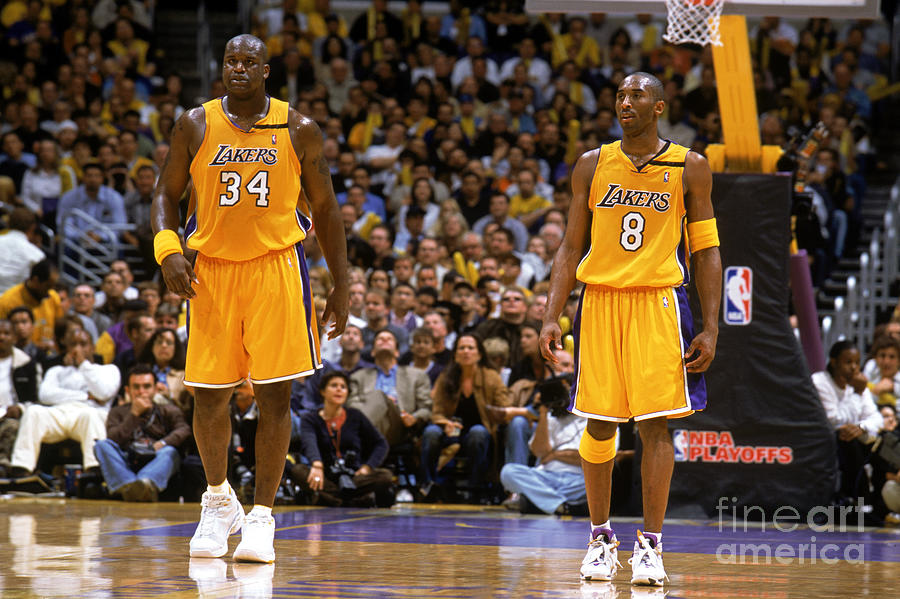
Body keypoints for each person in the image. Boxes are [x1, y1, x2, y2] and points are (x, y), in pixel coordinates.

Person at [151, 34, 348, 563]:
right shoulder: (194, 123)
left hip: (276, 268)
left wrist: (342, 284)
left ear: (266, 70)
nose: (238, 69)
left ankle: (262, 517)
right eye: (230, 61)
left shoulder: (298, 127)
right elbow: (165, 195)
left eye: (248, 62)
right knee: (208, 395)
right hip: (210, 272)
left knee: (274, 396)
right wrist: (167, 249)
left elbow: (326, 209)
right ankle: (218, 501)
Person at [539, 72, 722, 586]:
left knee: (655, 425)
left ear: (659, 106)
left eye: (636, 95)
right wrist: (552, 312)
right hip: (598, 302)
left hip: (659, 303)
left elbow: (706, 250)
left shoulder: (691, 167)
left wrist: (710, 326)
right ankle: (600, 537)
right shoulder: (592, 165)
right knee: (598, 423)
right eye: (620, 95)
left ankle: (651, 546)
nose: (625, 102)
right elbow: (571, 246)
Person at [8, 328, 120, 477]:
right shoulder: (57, 370)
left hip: (89, 414)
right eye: (73, 344)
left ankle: (94, 472)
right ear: (67, 348)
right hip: (59, 413)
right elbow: (45, 395)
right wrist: (86, 396)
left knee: (90, 415)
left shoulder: (108, 370)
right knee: (33, 411)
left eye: (83, 344)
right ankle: (21, 469)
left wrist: (83, 365)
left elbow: (103, 392)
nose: (77, 349)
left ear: (92, 347)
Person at [420, 334, 512, 503]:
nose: (466, 352)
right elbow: (437, 411)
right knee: (431, 433)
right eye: (461, 348)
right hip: (450, 431)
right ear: (455, 354)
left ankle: (475, 486)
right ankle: (428, 484)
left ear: (479, 354)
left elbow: (504, 407)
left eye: (470, 348)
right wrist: (445, 423)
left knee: (478, 432)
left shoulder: (491, 377)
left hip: (481, 432)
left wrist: (496, 411)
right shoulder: (446, 376)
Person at [500, 348, 587, 515]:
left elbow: (589, 459)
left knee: (602, 481)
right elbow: (539, 451)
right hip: (544, 476)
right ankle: (560, 505)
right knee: (508, 472)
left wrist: (554, 455)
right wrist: (543, 411)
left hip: (577, 480)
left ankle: (537, 500)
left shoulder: (593, 419)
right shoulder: (550, 417)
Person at [294, 371, 394, 507]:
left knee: (385, 476)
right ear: (322, 391)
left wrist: (367, 467)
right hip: (325, 475)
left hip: (355, 477)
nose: (339, 389)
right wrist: (316, 464)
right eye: (334, 385)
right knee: (298, 471)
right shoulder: (310, 419)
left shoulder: (355, 416)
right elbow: (309, 442)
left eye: (343, 387)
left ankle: (333, 499)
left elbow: (381, 443)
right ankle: (351, 500)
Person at [93, 365, 192, 501]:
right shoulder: (117, 412)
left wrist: (162, 443)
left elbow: (184, 430)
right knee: (101, 445)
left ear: (156, 389)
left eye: (146, 386)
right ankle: (134, 487)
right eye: (136, 387)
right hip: (127, 458)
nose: (141, 392)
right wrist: (134, 415)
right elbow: (113, 439)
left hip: (156, 458)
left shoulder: (168, 410)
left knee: (170, 452)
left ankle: (138, 485)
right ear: (128, 390)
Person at [812, 340, 884, 502]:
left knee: (885, 441)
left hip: (853, 438)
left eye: (857, 363)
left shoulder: (857, 383)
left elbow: (877, 418)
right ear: (834, 362)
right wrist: (857, 393)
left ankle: (880, 504)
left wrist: (861, 426)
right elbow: (834, 420)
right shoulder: (819, 382)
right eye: (848, 362)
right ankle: (860, 499)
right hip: (825, 441)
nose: (854, 367)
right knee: (846, 438)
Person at [0, 318, 41, 478]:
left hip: (10, 416)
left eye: (6, 333)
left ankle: (3, 466)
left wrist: (20, 408)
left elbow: (36, 399)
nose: (2, 337)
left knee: (12, 427)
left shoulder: (27, 364)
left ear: (15, 338)